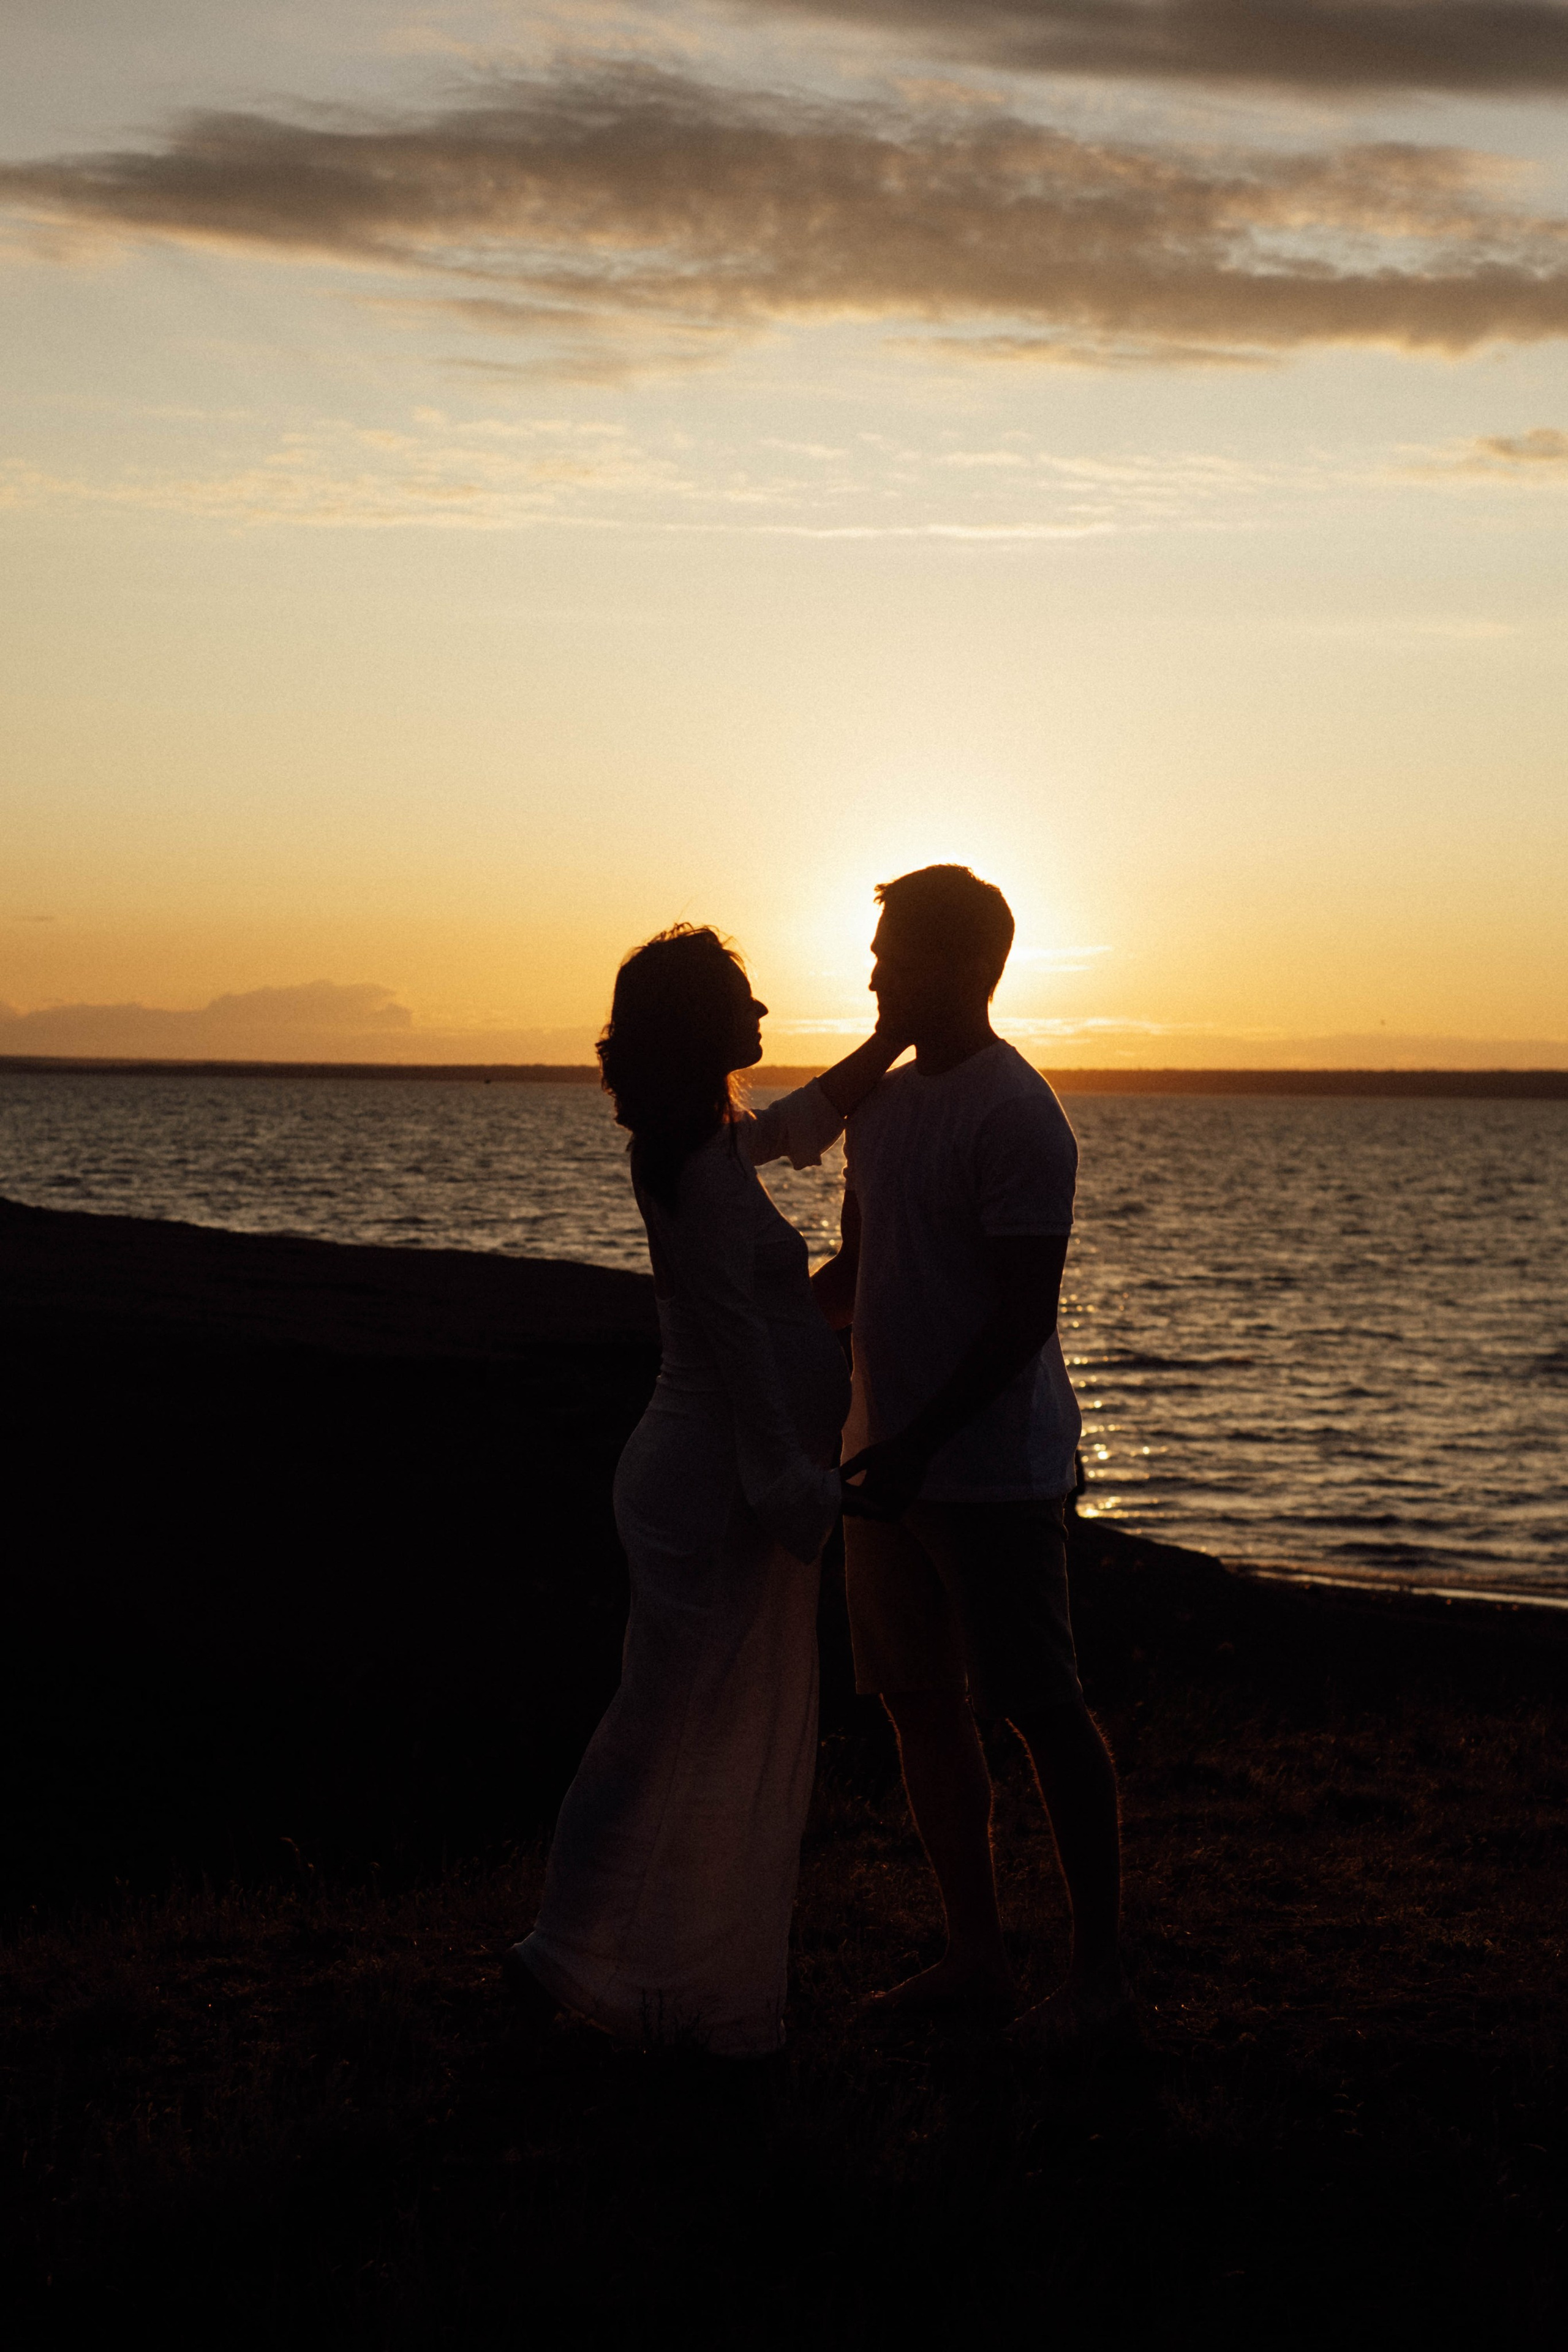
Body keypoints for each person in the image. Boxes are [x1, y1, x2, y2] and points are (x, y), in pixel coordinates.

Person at [505, 924, 905, 2057]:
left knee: (684, 1729)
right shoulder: (691, 1175)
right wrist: (809, 1490)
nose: (764, 1012)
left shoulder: (709, 1142)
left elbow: (791, 1127)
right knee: (659, 1730)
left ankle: (637, 1967)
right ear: (695, 1023)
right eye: (741, 998)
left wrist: (888, 1046)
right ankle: (563, 1963)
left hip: (713, 1480)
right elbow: (741, 1350)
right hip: (709, 1484)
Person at [813, 865, 1127, 2042]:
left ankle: (1099, 1982)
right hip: (883, 1466)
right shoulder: (883, 1113)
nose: (877, 970)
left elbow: (1019, 1318)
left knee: (1042, 1709)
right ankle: (976, 1957)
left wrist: (922, 1447)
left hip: (990, 1472)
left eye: (895, 951)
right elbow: (862, 1275)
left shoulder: (1018, 1115)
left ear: (965, 965)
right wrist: (757, 1338)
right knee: (917, 1707)